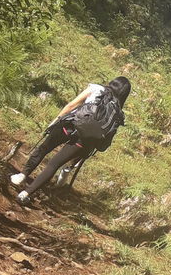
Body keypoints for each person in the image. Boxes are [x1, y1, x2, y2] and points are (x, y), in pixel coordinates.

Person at [10, 76, 131, 204]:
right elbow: (104, 144)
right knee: (54, 164)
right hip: (82, 141)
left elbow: (72, 105)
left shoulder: (96, 89)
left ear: (112, 83)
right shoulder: (118, 113)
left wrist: (55, 121)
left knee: (44, 149)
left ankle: (22, 175)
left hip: (68, 126)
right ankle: (25, 194)